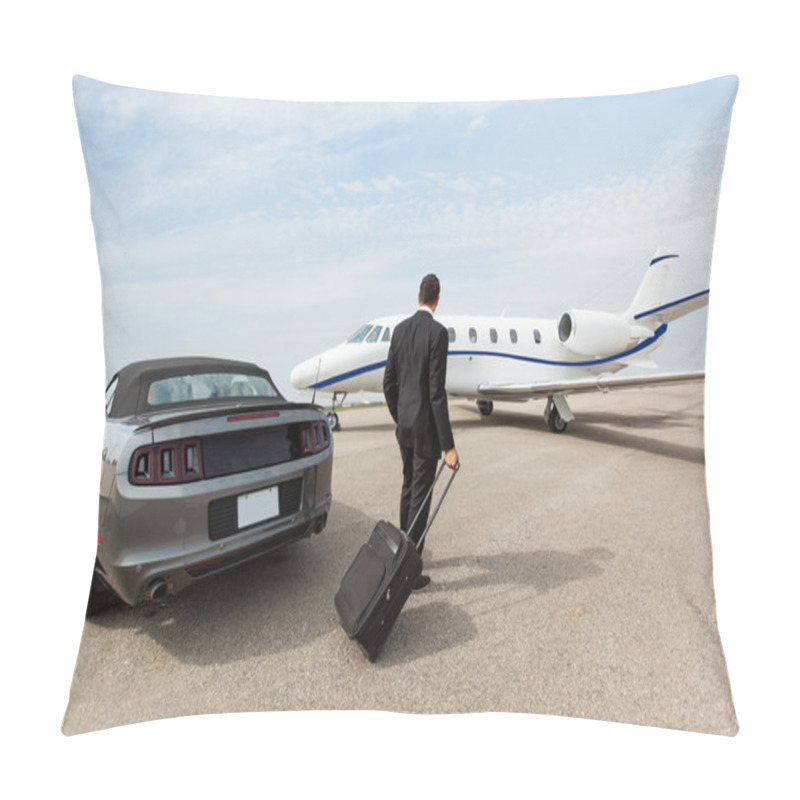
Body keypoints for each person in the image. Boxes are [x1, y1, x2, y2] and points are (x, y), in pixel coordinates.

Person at [383, 274, 459, 590]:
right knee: (421, 494)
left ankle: (401, 552)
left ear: (418, 297)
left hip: (405, 427)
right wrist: (448, 446)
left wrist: (400, 417)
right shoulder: (438, 333)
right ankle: (408, 570)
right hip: (427, 429)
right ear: (437, 300)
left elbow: (388, 383)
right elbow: (436, 392)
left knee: (407, 487)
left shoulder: (399, 331)